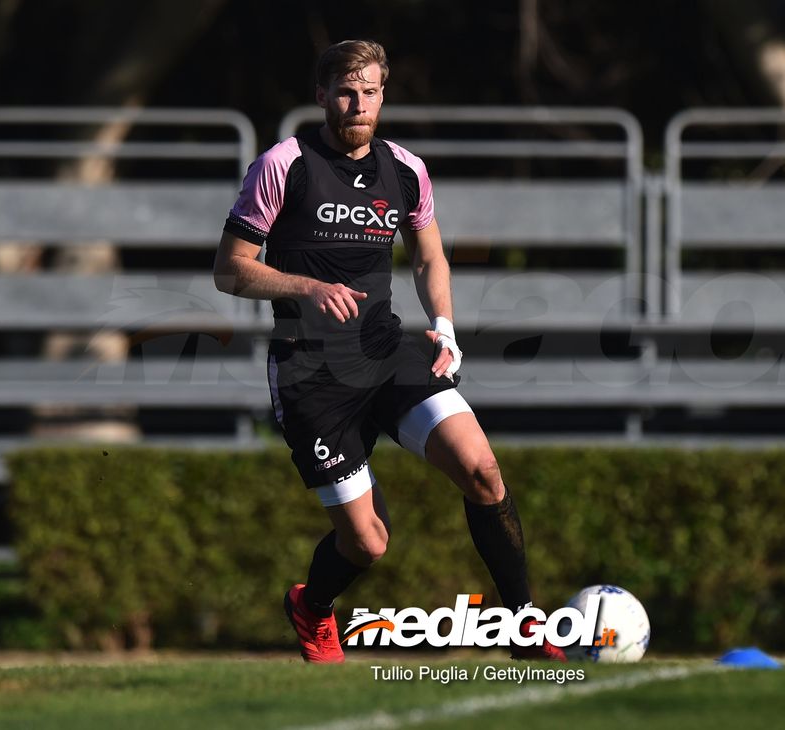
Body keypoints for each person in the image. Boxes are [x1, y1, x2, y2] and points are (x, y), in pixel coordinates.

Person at [213, 39, 564, 664]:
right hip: (310, 371)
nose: (358, 104)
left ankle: (524, 626)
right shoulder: (283, 164)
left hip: (386, 351)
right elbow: (230, 270)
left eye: (370, 92)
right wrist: (307, 287)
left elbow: (430, 257)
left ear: (382, 95)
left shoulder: (404, 168)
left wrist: (447, 328)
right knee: (369, 543)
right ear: (322, 96)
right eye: (346, 93)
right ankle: (311, 607)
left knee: (482, 470)